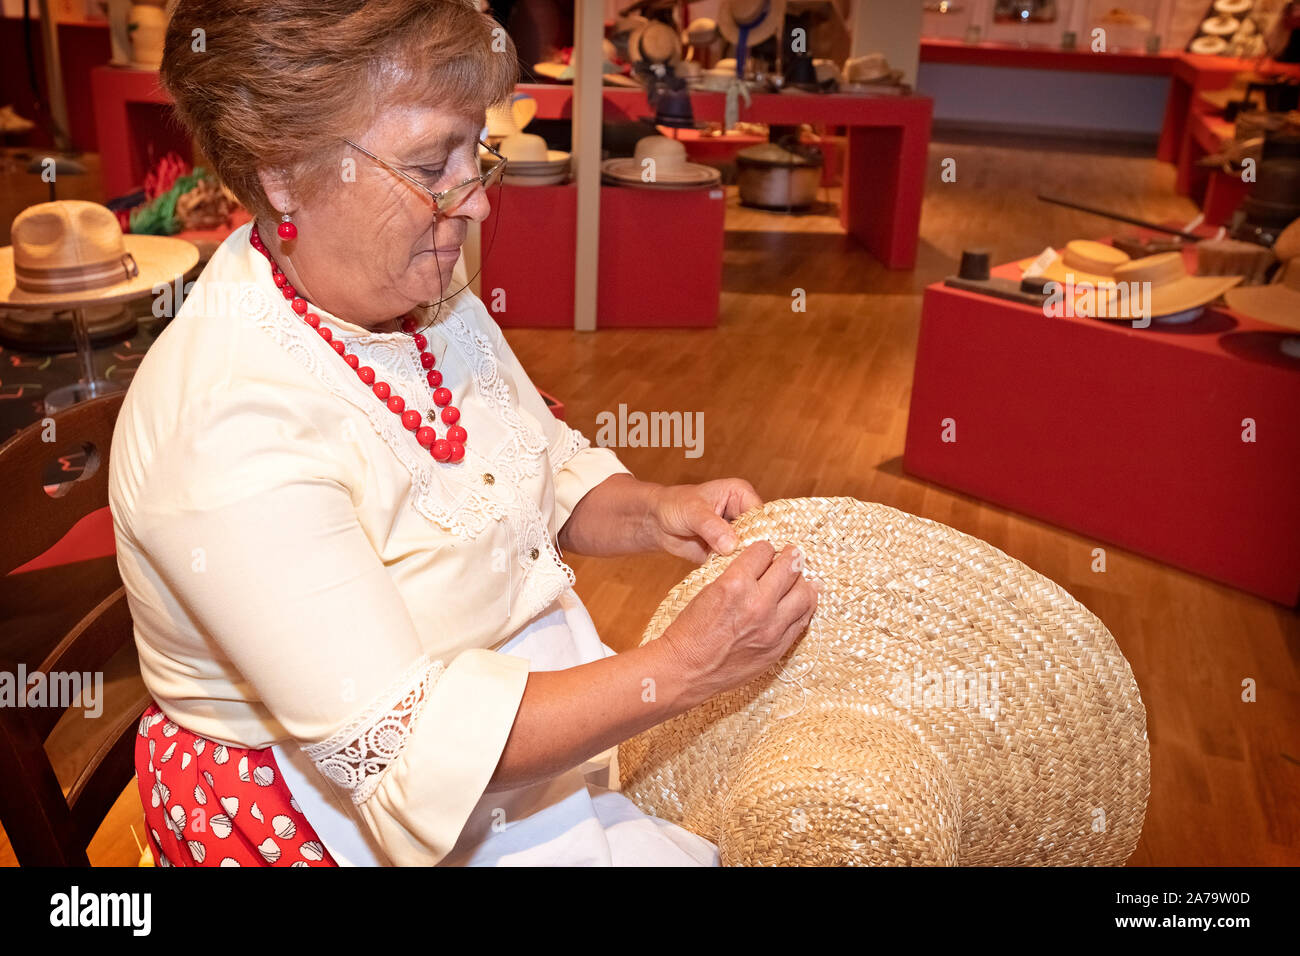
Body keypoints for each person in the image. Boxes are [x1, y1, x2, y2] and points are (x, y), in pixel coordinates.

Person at [109, 0, 819, 866]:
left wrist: (656, 509)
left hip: (512, 746)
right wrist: (682, 668)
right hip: (335, 806)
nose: (476, 203)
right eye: (428, 163)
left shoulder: (406, 291)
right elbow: (410, 754)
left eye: (472, 153)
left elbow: (538, 466)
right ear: (283, 173)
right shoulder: (225, 424)